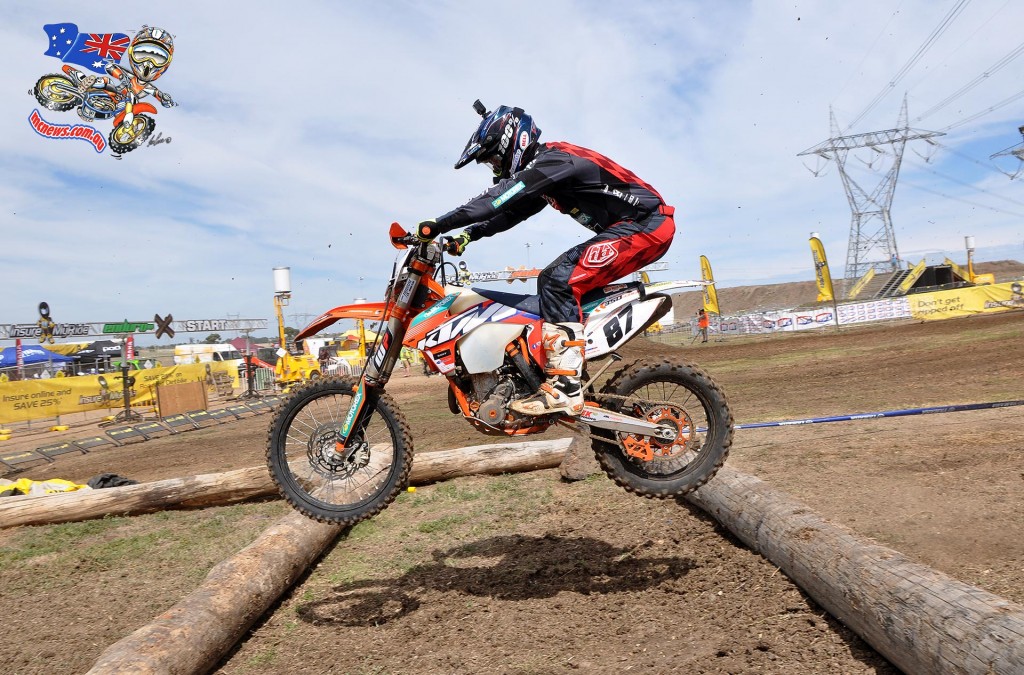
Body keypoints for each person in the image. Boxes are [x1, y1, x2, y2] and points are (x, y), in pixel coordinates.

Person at [416, 101, 675, 416]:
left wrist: (438, 224)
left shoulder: (554, 160)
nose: (496, 169)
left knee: (556, 280)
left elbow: (499, 199)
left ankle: (565, 386)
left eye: (495, 159)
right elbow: (512, 211)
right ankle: (555, 372)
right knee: (561, 285)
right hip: (638, 227)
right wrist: (469, 235)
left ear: (513, 141)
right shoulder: (547, 170)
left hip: (647, 225)